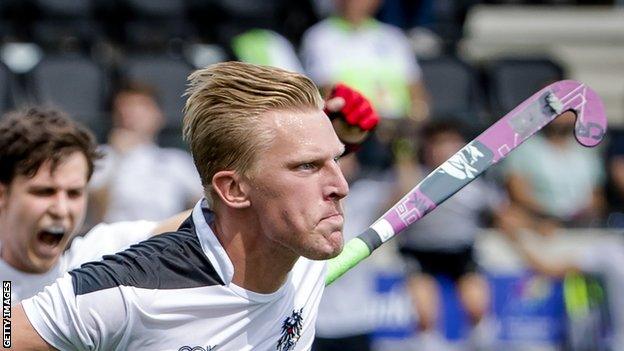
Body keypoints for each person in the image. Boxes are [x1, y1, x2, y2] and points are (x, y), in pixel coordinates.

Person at [14, 61, 379, 350]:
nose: (341, 187)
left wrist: (317, 138)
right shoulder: (127, 289)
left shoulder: (300, 247)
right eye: (307, 166)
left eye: (74, 192)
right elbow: (7, 329)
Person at [0, 107, 189, 303]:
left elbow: (184, 224)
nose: (61, 209)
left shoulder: (94, 254)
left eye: (74, 194)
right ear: (3, 194)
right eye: (44, 192)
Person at [395, 121, 503, 350]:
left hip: (460, 251)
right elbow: (400, 198)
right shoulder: (415, 177)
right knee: (424, 315)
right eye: (437, 143)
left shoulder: (475, 181)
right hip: (420, 252)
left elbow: (501, 213)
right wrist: (404, 157)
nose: (443, 149)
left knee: (477, 308)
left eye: (450, 143)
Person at [88, 82, 203, 223]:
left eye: (140, 106)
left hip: (164, 238)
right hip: (114, 240)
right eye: (123, 108)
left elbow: (205, 205)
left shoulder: (175, 160)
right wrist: (119, 158)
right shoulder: (102, 156)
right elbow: (95, 210)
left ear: (159, 116)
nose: (130, 114)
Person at [301, 0, 429, 122]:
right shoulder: (319, 37)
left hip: (399, 127)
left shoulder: (394, 36)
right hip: (352, 129)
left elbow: (417, 93)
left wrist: (415, 119)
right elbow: (328, 93)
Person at [504, 111, 605, 231]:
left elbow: (596, 194)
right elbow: (517, 191)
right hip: (539, 221)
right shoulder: (525, 147)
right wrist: (550, 216)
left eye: (569, 111)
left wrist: (582, 215)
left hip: (582, 224)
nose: (562, 117)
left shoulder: (587, 150)